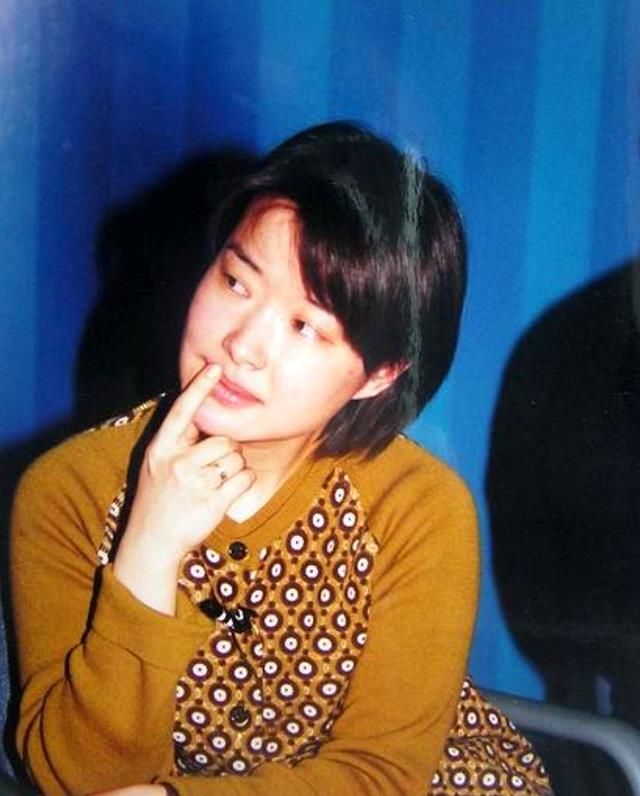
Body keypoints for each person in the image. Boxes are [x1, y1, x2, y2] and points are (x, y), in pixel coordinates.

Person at [10, 122, 550, 796]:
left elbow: (381, 777)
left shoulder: (418, 508)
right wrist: (147, 551)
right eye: (236, 283)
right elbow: (79, 779)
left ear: (379, 374)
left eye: (305, 326)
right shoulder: (69, 492)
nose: (243, 345)